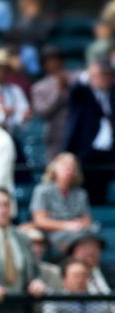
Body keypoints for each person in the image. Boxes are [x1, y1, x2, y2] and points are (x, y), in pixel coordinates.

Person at [62, 59, 115, 205]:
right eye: (102, 75)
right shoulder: (84, 94)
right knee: (83, 195)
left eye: (109, 75)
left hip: (107, 156)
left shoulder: (111, 96)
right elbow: (75, 90)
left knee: (101, 197)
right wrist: (91, 73)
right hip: (85, 155)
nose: (107, 79)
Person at [30, 153, 93, 256]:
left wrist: (80, 224)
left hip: (78, 233)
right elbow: (39, 221)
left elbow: (87, 220)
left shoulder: (80, 193)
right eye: (65, 166)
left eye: (72, 167)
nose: (69, 169)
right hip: (53, 234)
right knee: (81, 244)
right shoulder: (42, 191)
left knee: (91, 240)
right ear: (54, 168)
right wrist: (67, 225)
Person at [32, 45, 75, 162]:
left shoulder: (76, 79)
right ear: (43, 64)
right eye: (49, 61)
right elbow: (42, 112)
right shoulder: (39, 87)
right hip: (56, 135)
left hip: (79, 132)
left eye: (56, 60)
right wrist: (59, 93)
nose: (54, 63)